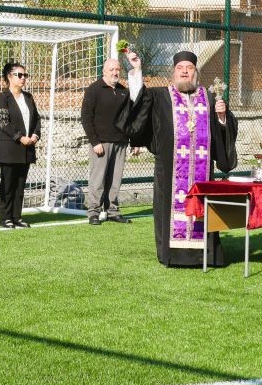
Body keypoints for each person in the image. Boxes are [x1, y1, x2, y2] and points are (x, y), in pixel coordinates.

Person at [122, 49, 237, 267]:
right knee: (170, 210)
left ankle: (205, 254)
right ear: (173, 73)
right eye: (180, 68)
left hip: (202, 173)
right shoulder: (161, 96)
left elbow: (223, 133)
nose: (185, 72)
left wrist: (222, 117)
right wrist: (137, 70)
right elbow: (138, 101)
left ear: (196, 73)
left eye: (189, 68)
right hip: (170, 172)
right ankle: (172, 255)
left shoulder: (209, 98)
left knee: (202, 206)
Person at [80, 58, 132, 225]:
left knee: (115, 179)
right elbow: (86, 117)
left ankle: (112, 211)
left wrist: (132, 140)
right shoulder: (94, 89)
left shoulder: (124, 91)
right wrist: (94, 141)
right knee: (98, 179)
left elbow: (129, 118)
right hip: (101, 143)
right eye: (111, 69)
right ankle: (94, 212)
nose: (115, 73)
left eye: (117, 69)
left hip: (120, 142)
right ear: (104, 71)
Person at [0, 62, 40, 229]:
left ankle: (16, 217)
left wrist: (35, 135)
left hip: (27, 148)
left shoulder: (28, 97)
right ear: (9, 77)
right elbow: (3, 122)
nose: (23, 78)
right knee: (8, 184)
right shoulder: (2, 97)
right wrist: (20, 137)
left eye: (25, 75)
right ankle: (6, 217)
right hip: (10, 148)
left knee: (20, 184)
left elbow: (37, 119)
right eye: (19, 75)